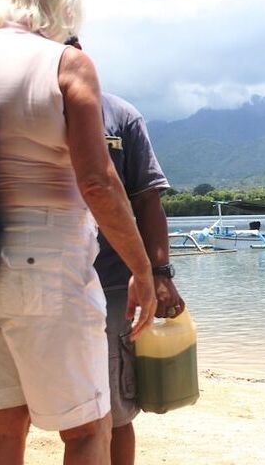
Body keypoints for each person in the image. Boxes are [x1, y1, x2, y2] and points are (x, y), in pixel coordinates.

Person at [0, 0, 156, 464]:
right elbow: (98, 181)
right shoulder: (66, 62)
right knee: (86, 431)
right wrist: (143, 269)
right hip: (47, 264)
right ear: (67, 6)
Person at [96, 88, 185, 464]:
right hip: (17, 279)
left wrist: (159, 274)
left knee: (113, 413)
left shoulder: (119, 115)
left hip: (112, 287)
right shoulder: (4, 99)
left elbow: (148, 199)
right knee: (9, 414)